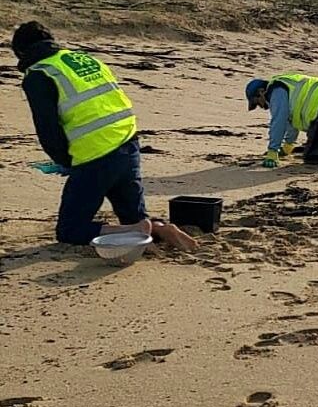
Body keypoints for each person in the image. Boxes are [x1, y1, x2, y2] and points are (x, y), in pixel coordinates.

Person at [11, 21, 197, 250]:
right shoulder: (86, 59)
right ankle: (157, 227)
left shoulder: (39, 75)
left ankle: (134, 230)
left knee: (70, 229)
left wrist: (66, 162)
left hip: (95, 157)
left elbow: (48, 129)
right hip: (128, 143)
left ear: (21, 52)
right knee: (134, 216)